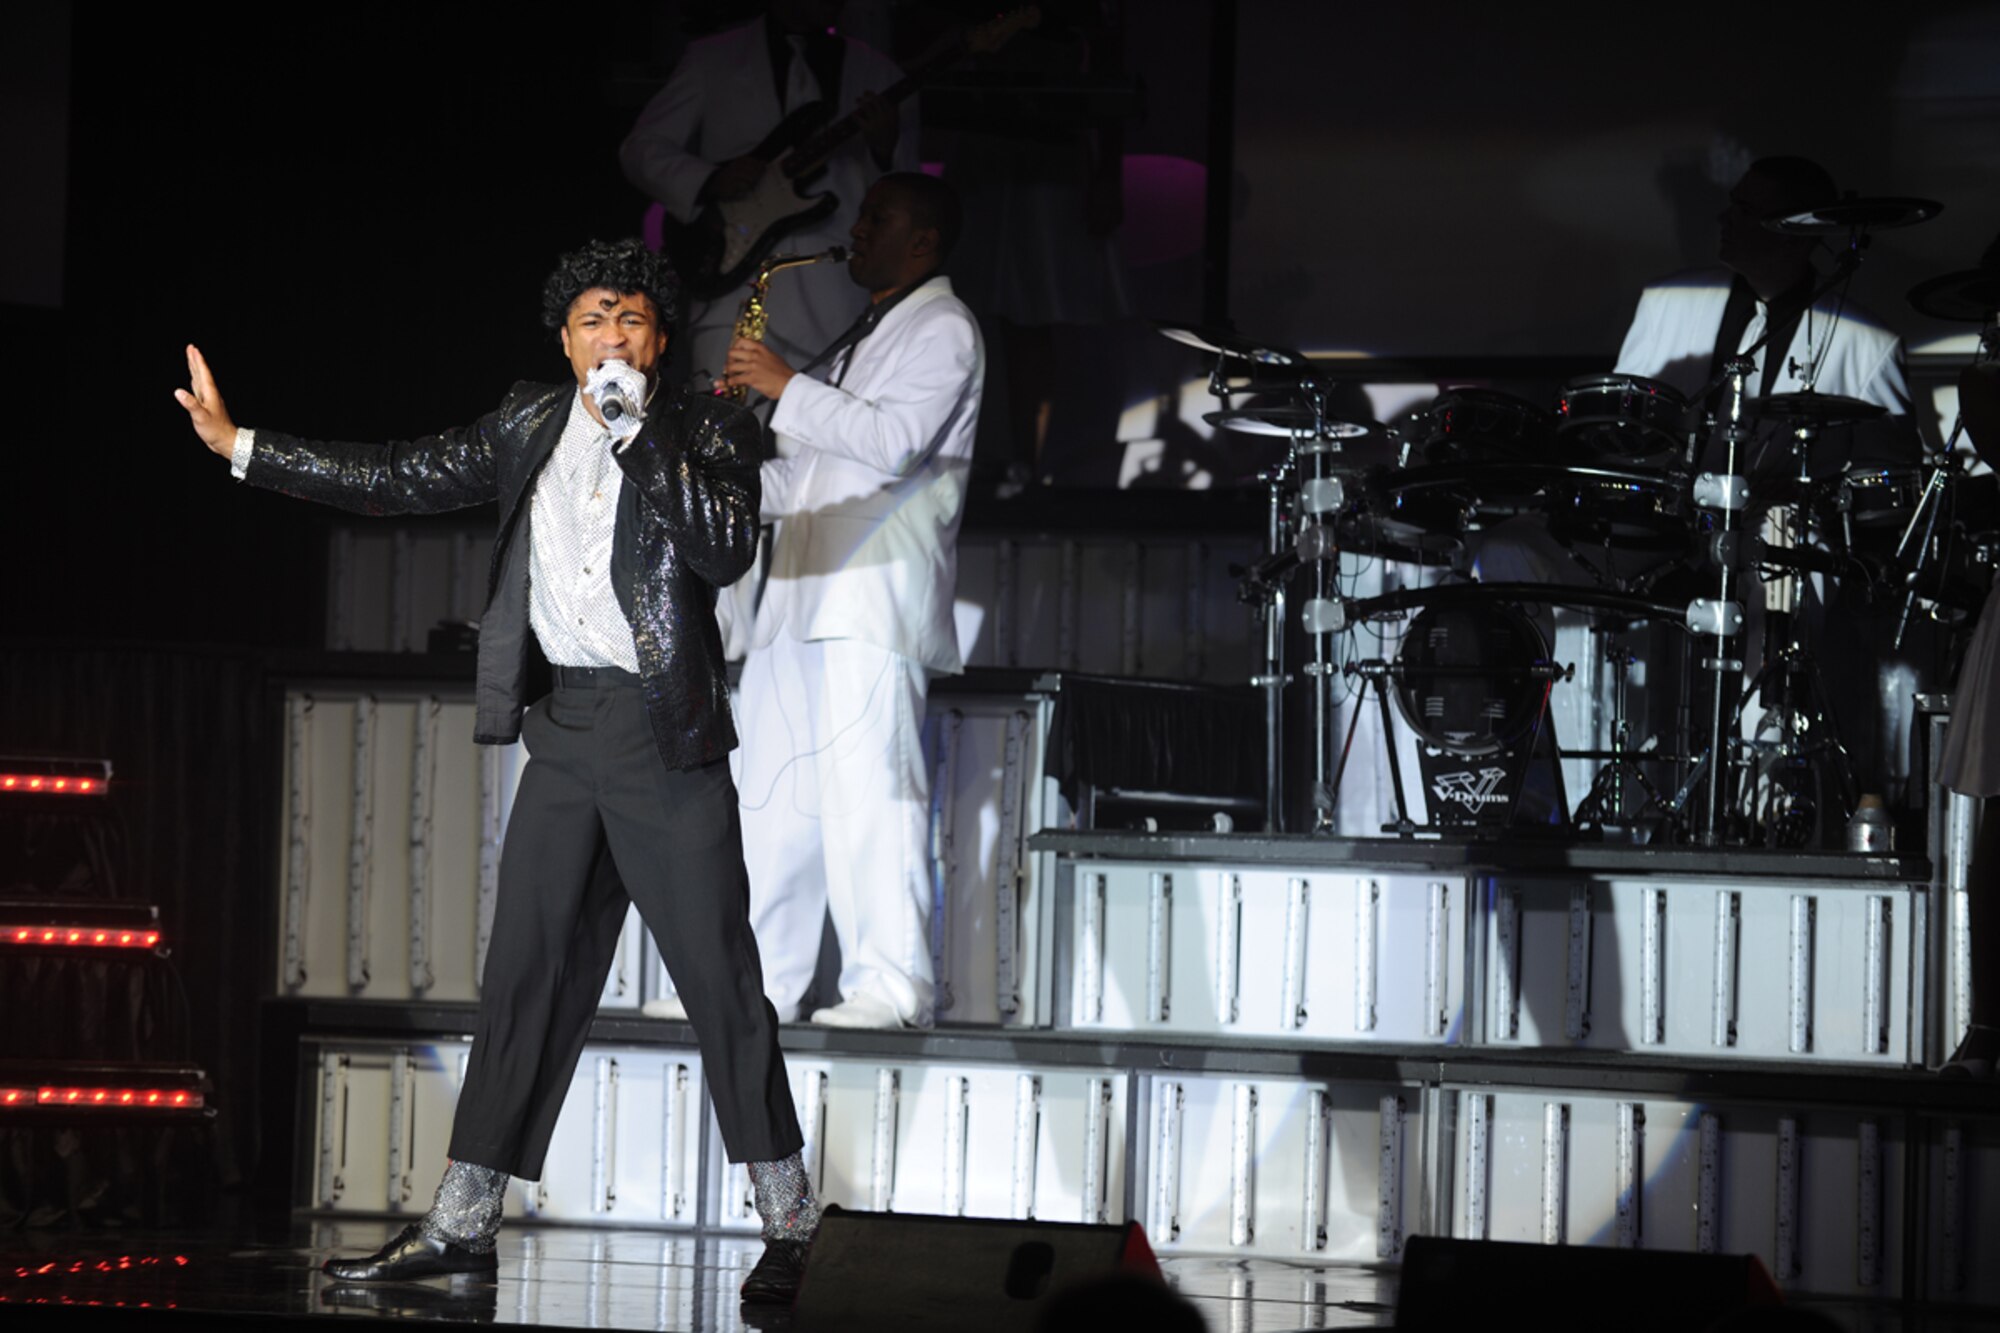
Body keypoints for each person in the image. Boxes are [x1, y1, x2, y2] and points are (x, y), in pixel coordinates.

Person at [173, 240, 819, 1304]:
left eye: (631, 322)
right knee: (523, 977)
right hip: (565, 728)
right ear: (563, 341)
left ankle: (790, 1221)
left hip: (664, 739)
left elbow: (720, 550)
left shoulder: (706, 425)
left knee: (718, 980)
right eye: (592, 323)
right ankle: (461, 1225)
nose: (612, 340)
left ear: (658, 338)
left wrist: (634, 438)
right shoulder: (524, 422)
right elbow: (394, 476)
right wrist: (242, 444)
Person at [724, 171, 983, 1029]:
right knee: (773, 807)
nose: (857, 228)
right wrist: (714, 481)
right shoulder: (857, 336)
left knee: (872, 795)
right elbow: (808, 476)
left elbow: (889, 447)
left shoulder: (944, 329)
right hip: (797, 597)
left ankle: (892, 986)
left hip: (871, 599)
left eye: (879, 218)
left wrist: (784, 383)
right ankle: (764, 987)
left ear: (924, 242)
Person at [619, 0, 913, 388]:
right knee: (723, 436)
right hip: (733, 284)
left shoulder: (879, 73)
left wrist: (883, 149)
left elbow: (913, 195)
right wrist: (710, 179)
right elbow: (641, 150)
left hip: (835, 294)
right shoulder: (713, 57)